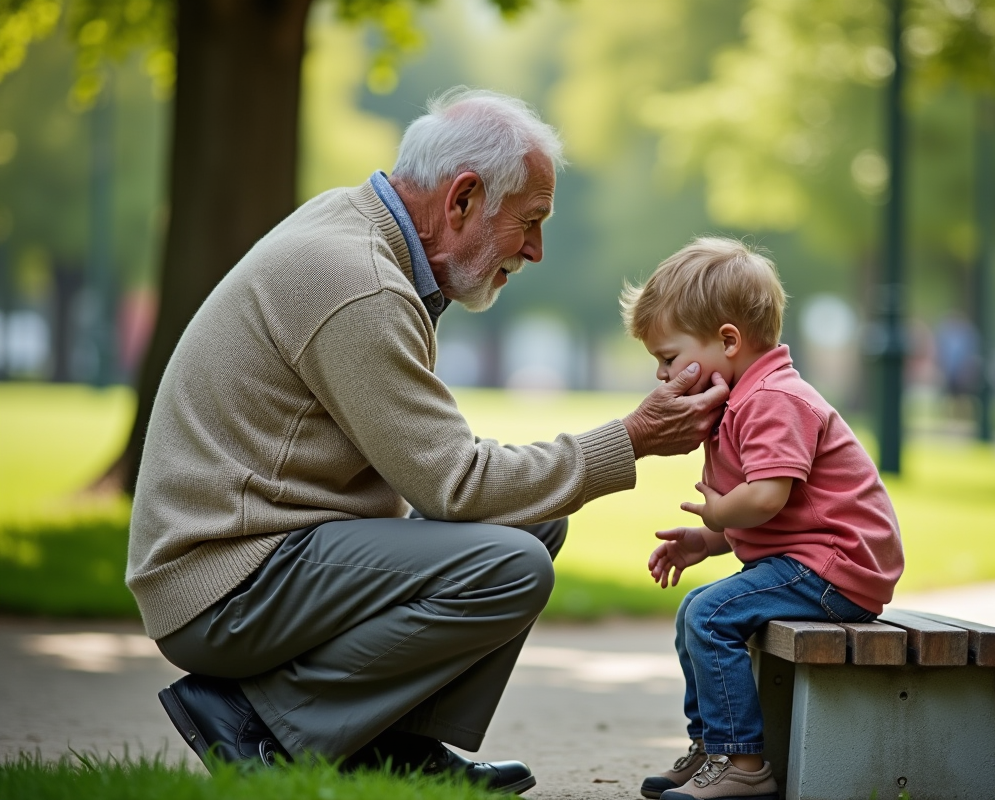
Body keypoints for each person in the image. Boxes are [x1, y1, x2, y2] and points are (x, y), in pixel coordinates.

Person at [127, 88, 728, 791]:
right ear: (463, 199)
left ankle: (389, 748)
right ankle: (257, 721)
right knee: (511, 566)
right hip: (227, 585)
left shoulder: (358, 234)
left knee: (533, 524)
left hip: (261, 554)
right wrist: (631, 438)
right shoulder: (361, 283)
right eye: (530, 221)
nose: (536, 249)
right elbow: (456, 485)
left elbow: (448, 478)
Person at [620, 238, 904, 800]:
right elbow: (773, 518)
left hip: (835, 566)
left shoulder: (774, 397)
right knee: (693, 614)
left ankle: (744, 766)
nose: (661, 374)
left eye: (670, 358)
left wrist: (721, 511)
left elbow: (769, 497)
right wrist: (706, 539)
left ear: (728, 340)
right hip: (806, 560)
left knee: (709, 613)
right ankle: (712, 749)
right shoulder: (740, 400)